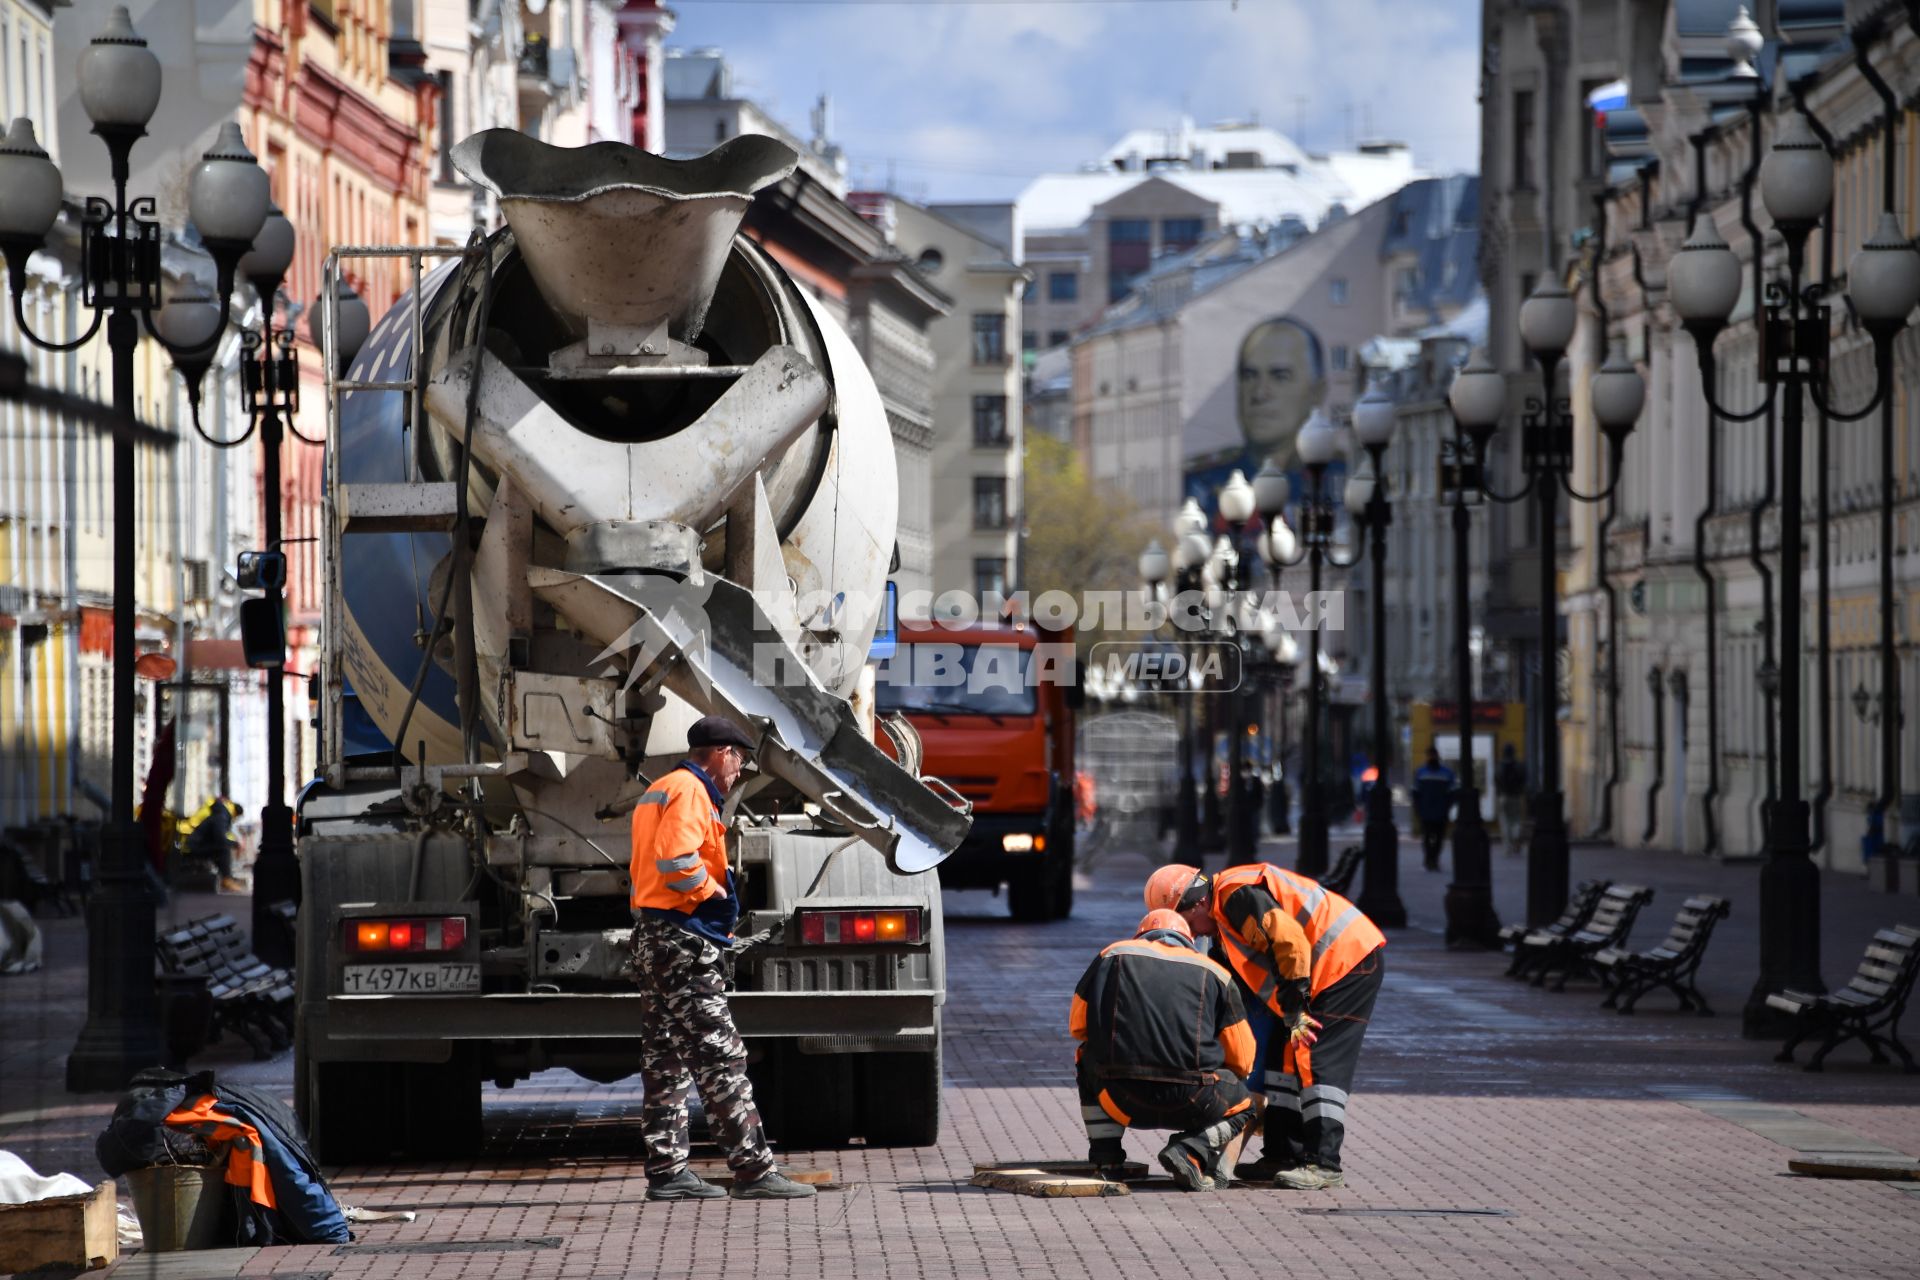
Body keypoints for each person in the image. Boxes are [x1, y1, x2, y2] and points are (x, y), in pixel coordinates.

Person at [627, 714, 814, 1202]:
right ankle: (753, 1169)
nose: (738, 774)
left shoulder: (663, 788)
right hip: (682, 939)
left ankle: (667, 1171)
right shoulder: (691, 791)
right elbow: (676, 861)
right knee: (721, 1054)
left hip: (655, 936)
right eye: (739, 763)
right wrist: (711, 897)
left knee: (665, 1056)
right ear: (722, 753)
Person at [1145, 862, 1386, 1189]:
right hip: (1327, 965)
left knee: (1314, 1057)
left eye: (1188, 923)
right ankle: (1283, 1154)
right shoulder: (1223, 921)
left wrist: (1295, 1006)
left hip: (1346, 961)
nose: (1195, 933)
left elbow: (1290, 941)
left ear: (1199, 902)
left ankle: (1324, 1164)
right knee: (1281, 1057)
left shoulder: (1235, 895)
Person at [1070, 908, 1260, 1190]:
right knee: (1246, 1104)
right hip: (1193, 1101)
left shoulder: (1112, 955)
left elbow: (1078, 1027)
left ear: (1142, 935)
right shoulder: (1216, 973)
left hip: (1120, 1096)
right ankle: (1190, 1149)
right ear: (1188, 940)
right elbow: (1243, 1059)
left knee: (1087, 1056)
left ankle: (1106, 1162)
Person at [1412, 749, 1457, 871]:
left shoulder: (1421, 772)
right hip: (1439, 811)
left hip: (1427, 810)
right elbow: (1453, 793)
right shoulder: (1447, 773)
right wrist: (1448, 806)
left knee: (1428, 837)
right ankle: (1433, 860)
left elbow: (1415, 793)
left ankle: (1430, 860)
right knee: (1437, 837)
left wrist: (1418, 808)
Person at [189, 797, 245, 893]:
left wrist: (234, 843)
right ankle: (227, 879)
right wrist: (236, 844)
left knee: (222, 848)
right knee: (224, 848)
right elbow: (220, 839)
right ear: (236, 813)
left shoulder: (220, 813)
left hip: (197, 844)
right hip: (195, 846)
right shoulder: (222, 815)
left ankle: (228, 878)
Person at [1495, 744, 1528, 859]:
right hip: (1516, 796)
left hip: (1504, 796)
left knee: (1505, 821)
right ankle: (1516, 836)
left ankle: (1508, 847)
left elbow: (1496, 781)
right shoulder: (1519, 765)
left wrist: (1499, 794)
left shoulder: (1499, 765)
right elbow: (1524, 780)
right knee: (1517, 819)